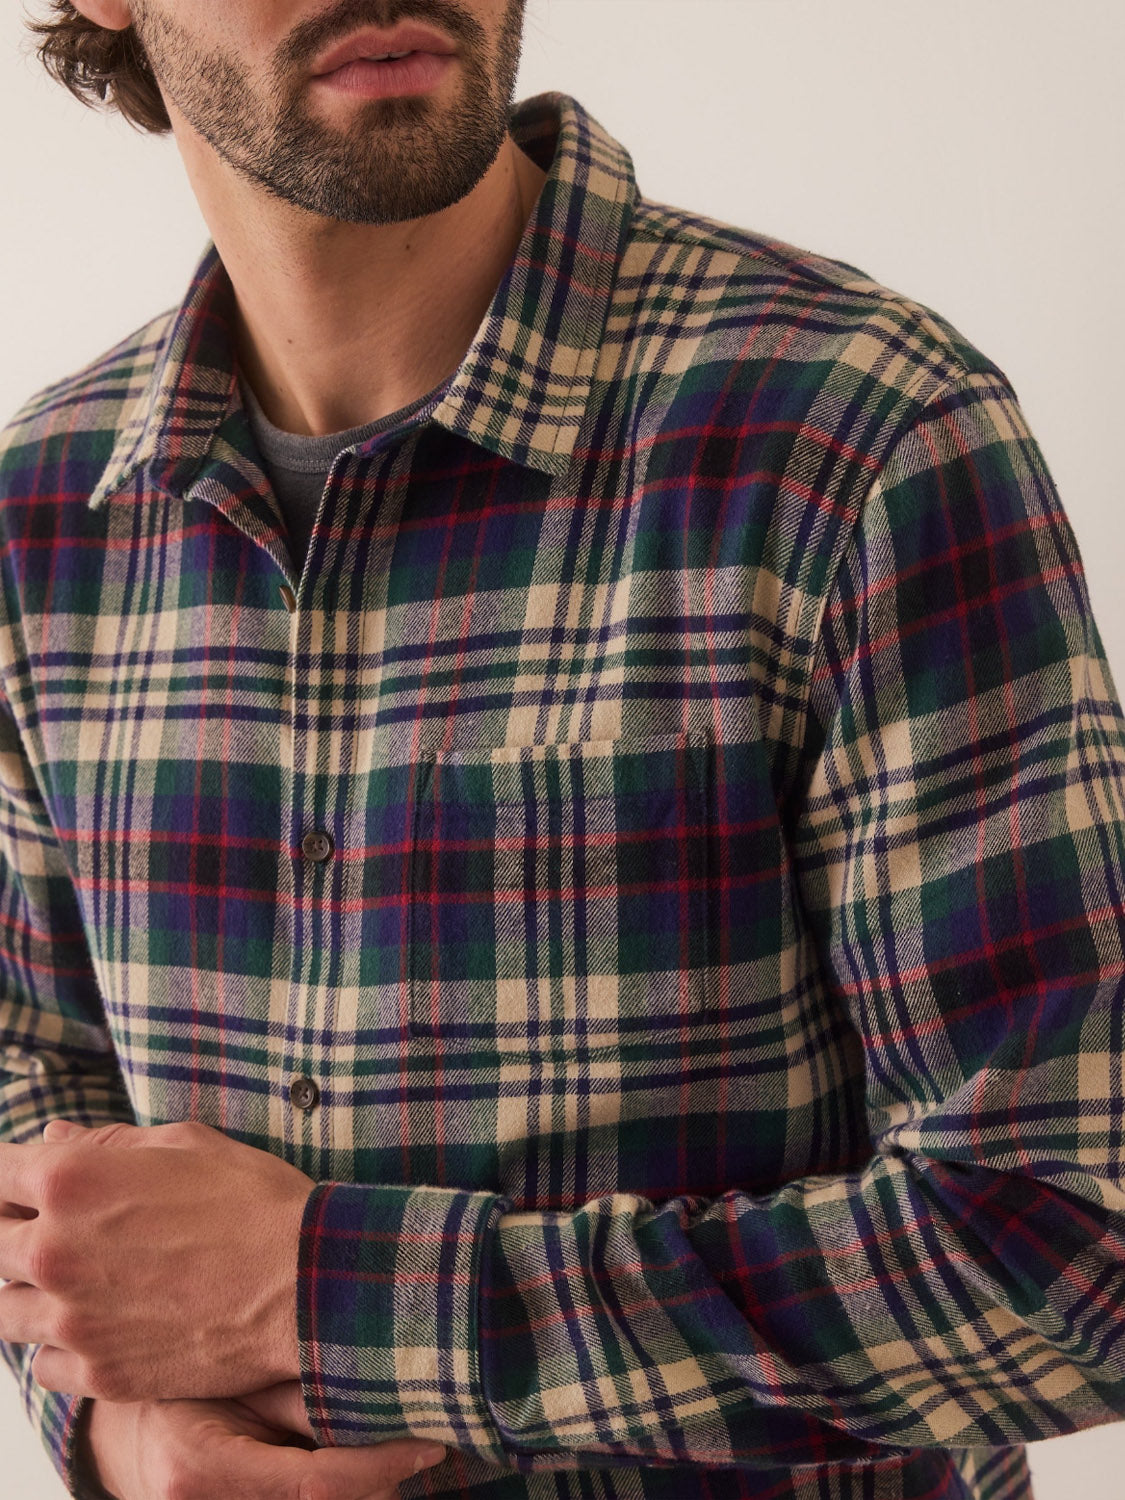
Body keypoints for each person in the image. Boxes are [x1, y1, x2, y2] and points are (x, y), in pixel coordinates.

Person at [2, 2, 1124, 1498]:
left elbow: (1071, 1243)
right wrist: (130, 1442)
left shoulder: (852, 436)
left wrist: (324, 1293)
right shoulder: (38, 517)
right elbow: (32, 1129)